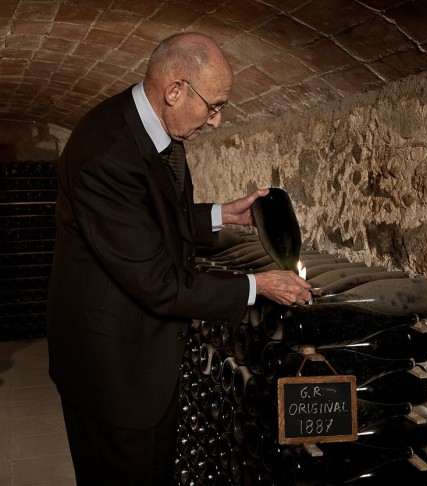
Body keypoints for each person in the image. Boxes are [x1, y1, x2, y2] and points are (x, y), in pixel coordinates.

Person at [46, 32, 311, 486]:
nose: (216, 120)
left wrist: (221, 215)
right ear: (175, 91)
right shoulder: (105, 154)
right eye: (214, 106)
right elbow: (158, 283)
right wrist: (257, 286)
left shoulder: (152, 127)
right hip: (112, 375)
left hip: (143, 362)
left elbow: (147, 217)